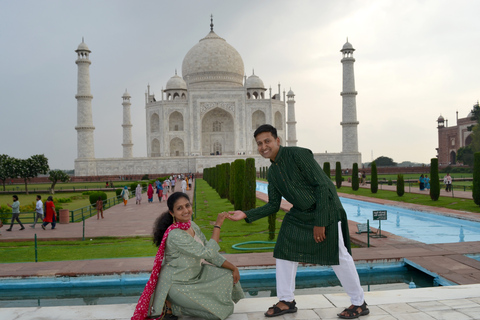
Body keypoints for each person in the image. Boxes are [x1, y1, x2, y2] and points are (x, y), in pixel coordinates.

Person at [227, 124, 368, 319]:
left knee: (338, 254)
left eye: (267, 141)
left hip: (325, 208)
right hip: (301, 214)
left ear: (277, 140)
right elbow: (274, 205)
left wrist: (320, 222)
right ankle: (286, 300)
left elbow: (323, 186)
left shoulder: (298, 155)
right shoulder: (273, 172)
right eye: (259, 143)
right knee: (284, 250)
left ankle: (359, 302)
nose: (263, 146)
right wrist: (247, 214)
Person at [131, 192, 244, 320]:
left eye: (187, 205)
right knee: (219, 313)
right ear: (172, 213)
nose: (185, 210)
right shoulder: (176, 235)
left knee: (227, 275)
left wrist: (233, 267)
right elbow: (208, 252)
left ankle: (178, 306)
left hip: (196, 277)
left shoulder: (192, 225)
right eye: (179, 208)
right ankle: (172, 306)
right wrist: (217, 226)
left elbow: (210, 255)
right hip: (177, 284)